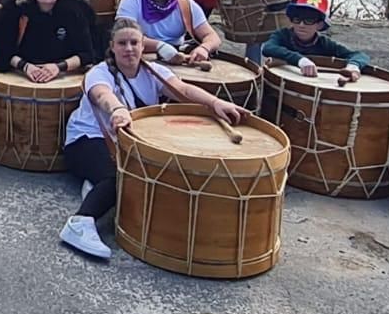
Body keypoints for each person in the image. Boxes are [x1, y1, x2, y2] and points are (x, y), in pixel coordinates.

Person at [60, 16, 252, 259]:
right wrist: (118, 110)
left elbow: (182, 90)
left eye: (134, 43)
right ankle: (79, 223)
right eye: (122, 44)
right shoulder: (100, 73)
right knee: (119, 177)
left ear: (143, 46)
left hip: (122, 143)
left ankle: (97, 188)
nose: (129, 49)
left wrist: (216, 103)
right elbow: (102, 96)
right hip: (86, 139)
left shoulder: (153, 71)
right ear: (112, 46)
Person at [0, 0, 95, 82]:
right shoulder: (16, 7)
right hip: (23, 68)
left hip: (61, 68)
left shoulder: (74, 9)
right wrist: (25, 66)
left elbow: (87, 53)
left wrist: (58, 67)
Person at [262, 0, 369, 80]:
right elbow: (268, 48)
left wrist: (353, 66)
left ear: (319, 25)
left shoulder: (324, 44)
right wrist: (300, 60)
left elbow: (359, 55)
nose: (301, 25)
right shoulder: (282, 35)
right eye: (297, 19)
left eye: (308, 20)